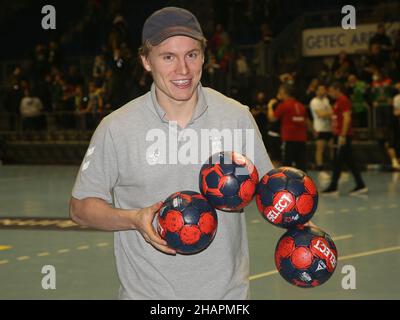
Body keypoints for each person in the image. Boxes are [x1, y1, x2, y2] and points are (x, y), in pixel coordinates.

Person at [69, 7, 273, 300]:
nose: (183, 70)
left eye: (191, 54)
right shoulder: (117, 127)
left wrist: (299, 219)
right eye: (168, 57)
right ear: (146, 61)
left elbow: (270, 192)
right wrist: (134, 218)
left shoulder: (235, 116)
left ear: (204, 56)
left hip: (226, 298)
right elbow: (80, 209)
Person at [322, 82, 368, 195]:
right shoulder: (338, 102)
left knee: (337, 161)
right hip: (339, 135)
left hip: (343, 136)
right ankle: (360, 185)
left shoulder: (343, 100)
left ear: (337, 89)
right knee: (349, 161)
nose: (330, 93)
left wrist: (342, 135)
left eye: (331, 91)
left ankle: (333, 187)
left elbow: (347, 118)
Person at [268, 83, 309, 172]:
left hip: (289, 139)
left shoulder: (284, 105)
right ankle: (304, 185)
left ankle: (287, 185)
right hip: (302, 139)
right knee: (301, 166)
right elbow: (307, 121)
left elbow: (272, 118)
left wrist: (270, 106)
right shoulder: (301, 106)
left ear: (284, 93)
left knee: (287, 167)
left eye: (280, 92)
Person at [309, 84, 333, 178]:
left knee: (332, 147)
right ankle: (320, 169)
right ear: (317, 91)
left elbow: (331, 113)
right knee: (320, 149)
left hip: (329, 128)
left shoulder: (326, 100)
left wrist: (328, 113)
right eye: (321, 89)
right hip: (319, 128)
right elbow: (320, 114)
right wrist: (329, 113)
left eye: (324, 89)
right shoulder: (314, 101)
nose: (323, 91)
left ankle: (334, 167)